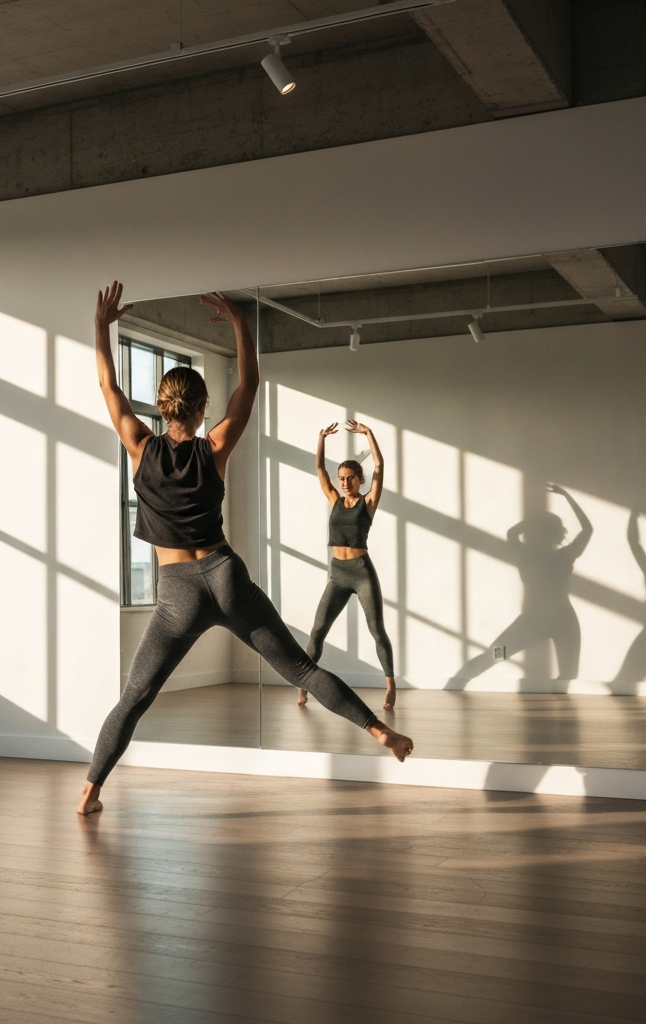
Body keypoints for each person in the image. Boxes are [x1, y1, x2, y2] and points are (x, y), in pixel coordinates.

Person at [77, 282, 413, 814]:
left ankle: (91, 793)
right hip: (225, 574)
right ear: (202, 404)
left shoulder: (139, 447)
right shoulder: (214, 448)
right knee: (301, 669)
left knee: (135, 698)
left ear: (163, 406)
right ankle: (378, 731)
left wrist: (101, 326)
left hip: (175, 593)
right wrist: (238, 321)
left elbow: (107, 383)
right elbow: (250, 384)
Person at [449, 483, 592, 685]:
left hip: (534, 621)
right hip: (562, 621)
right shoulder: (564, 557)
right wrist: (567, 496)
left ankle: (456, 683)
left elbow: (512, 532)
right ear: (558, 534)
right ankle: (456, 682)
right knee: (568, 675)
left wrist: (534, 521)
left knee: (492, 656)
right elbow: (588, 529)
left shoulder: (525, 556)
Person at [301, 421, 397, 711]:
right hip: (338, 574)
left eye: (350, 478)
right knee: (318, 630)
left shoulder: (367, 503)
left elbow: (380, 466)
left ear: (360, 479)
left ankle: (390, 684)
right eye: (342, 478)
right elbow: (319, 468)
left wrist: (369, 434)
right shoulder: (334, 500)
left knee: (376, 630)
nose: (344, 482)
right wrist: (321, 439)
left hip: (361, 573)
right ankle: (304, 682)